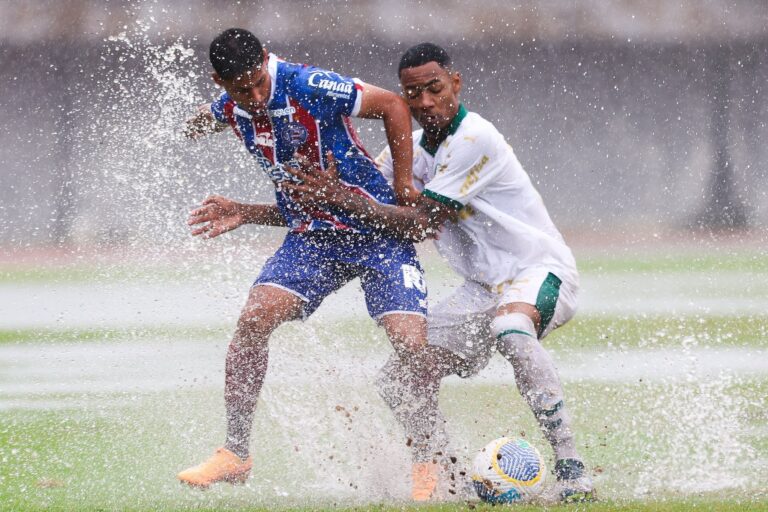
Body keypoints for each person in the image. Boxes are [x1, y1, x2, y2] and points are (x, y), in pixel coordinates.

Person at [283, 42, 595, 503]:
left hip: (538, 270)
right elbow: (358, 207)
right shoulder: (409, 150)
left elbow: (422, 222)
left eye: (434, 88)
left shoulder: (474, 138)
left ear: (456, 83)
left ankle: (572, 469)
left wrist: (339, 198)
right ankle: (446, 474)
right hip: (481, 288)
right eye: (413, 94)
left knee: (511, 328)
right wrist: (254, 209)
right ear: (404, 97)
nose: (425, 102)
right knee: (400, 377)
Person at [176, 28, 439, 500]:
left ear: (266, 60)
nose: (254, 96)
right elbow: (201, 121)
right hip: (314, 238)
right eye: (240, 89)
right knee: (254, 320)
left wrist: (402, 187)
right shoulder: (229, 107)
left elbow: (393, 106)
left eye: (258, 81)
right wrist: (243, 205)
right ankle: (236, 453)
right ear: (220, 81)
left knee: (409, 342)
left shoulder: (308, 84)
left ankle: (425, 462)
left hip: (376, 231)